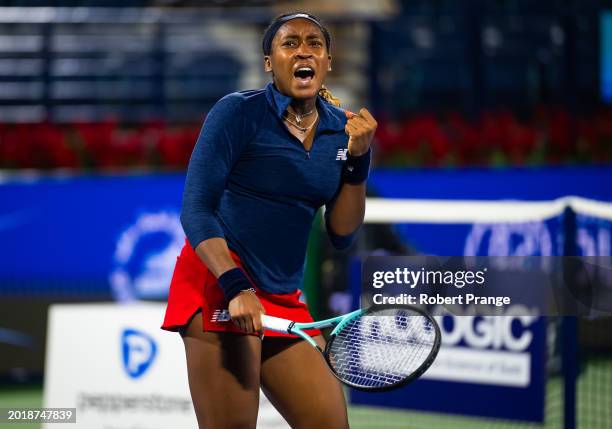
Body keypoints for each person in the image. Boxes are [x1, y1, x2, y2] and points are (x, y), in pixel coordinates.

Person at [161, 11, 377, 429]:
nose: (303, 51)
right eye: (290, 43)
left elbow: (342, 232)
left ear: (328, 61)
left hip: (282, 296)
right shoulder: (238, 113)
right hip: (222, 282)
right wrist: (235, 285)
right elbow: (196, 208)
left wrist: (359, 159)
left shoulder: (343, 130)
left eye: (315, 43)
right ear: (268, 62)